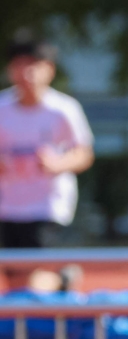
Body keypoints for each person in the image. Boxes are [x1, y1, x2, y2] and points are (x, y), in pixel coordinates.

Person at [1, 32, 94, 290]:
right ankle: (63, 280)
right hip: (9, 205)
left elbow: (84, 153)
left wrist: (58, 164)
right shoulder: (2, 108)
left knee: (31, 279)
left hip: (48, 205)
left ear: (49, 70)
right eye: (20, 65)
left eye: (33, 65)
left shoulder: (63, 109)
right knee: (16, 280)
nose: (27, 73)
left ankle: (56, 283)